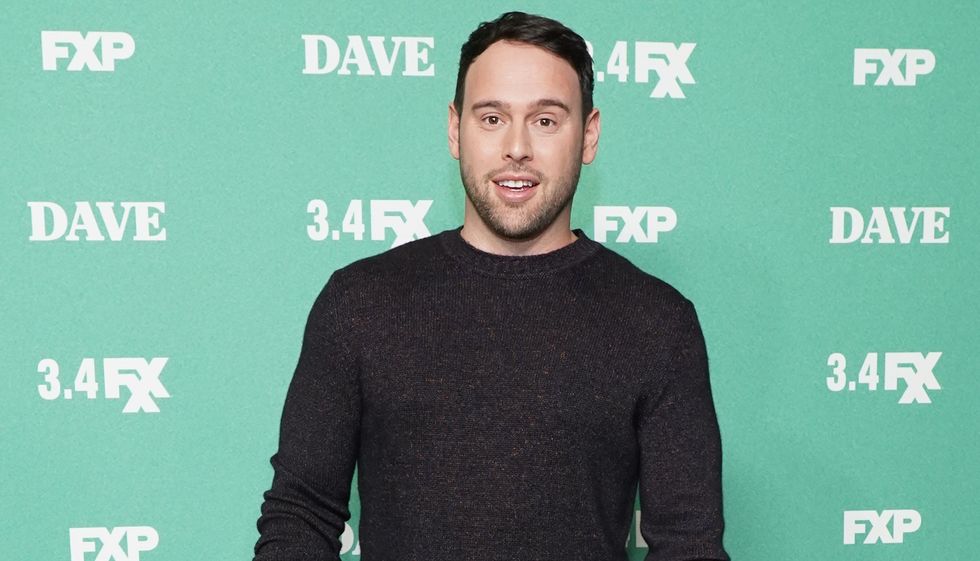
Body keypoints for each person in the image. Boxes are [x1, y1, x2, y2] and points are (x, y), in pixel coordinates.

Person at [255, 11, 729, 561]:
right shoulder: (360, 302)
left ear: (589, 134)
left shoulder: (657, 321)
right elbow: (300, 517)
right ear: (455, 129)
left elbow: (689, 543)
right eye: (492, 118)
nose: (517, 147)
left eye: (545, 120)